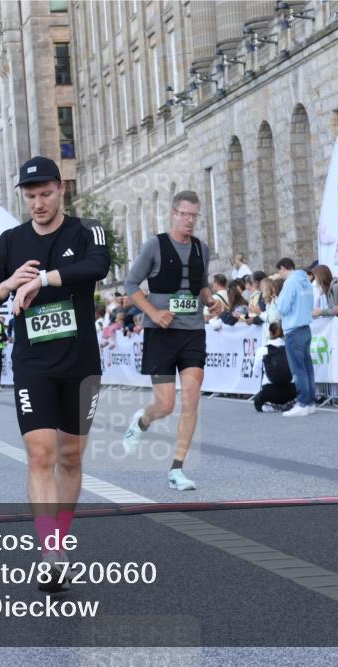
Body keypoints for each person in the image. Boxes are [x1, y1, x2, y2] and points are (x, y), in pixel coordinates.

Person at [0, 155, 110, 592]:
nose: (38, 203)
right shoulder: (9, 241)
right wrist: (11, 283)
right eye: (30, 196)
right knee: (40, 455)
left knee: (70, 457)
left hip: (82, 364)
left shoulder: (87, 230)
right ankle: (50, 551)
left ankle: (60, 541)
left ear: (61, 189)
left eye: (45, 194)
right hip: (33, 364)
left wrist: (44, 280)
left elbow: (97, 266)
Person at [122, 190, 216, 492]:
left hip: (192, 332)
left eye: (194, 216)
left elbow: (201, 286)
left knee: (191, 398)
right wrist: (153, 311)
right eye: (184, 214)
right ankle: (142, 421)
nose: (189, 220)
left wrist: (212, 300)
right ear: (174, 214)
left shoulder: (202, 248)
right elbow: (131, 284)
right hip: (160, 334)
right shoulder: (155, 245)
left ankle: (177, 469)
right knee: (165, 404)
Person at [276, 258, 317, 417]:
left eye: (279, 271)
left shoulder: (290, 282)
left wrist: (277, 301)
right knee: (307, 368)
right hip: (305, 327)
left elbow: (283, 307)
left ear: (283, 268)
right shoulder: (305, 280)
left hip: (293, 328)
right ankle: (310, 402)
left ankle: (302, 403)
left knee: (298, 369)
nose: (280, 275)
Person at [252, 322, 296, 412]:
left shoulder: (262, 350)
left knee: (257, 401)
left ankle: (272, 406)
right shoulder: (290, 349)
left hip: (270, 392)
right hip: (291, 391)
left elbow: (256, 373)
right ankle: (288, 404)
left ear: (270, 333)